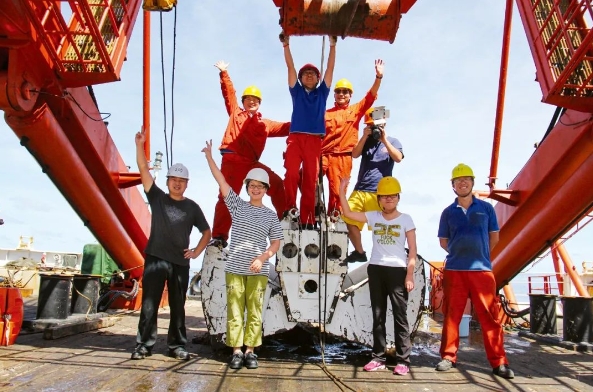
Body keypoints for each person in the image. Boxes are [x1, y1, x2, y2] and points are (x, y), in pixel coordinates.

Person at [202, 139, 283, 370]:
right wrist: (209, 156)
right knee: (235, 311)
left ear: (266, 190)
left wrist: (263, 258)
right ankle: (236, 351)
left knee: (255, 312)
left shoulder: (270, 216)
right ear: (247, 187)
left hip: (259, 270)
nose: (256, 189)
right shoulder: (237, 206)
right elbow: (221, 180)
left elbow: (276, 242)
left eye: (260, 186)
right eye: (252, 185)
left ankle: (251, 351)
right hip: (235, 269)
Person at [131, 131, 211, 361]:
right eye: (174, 180)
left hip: (180, 263)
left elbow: (207, 232)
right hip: (155, 258)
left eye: (181, 181)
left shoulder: (193, 208)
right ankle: (143, 345)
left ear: (186, 184)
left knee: (178, 307)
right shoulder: (157, 197)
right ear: (167, 182)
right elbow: (144, 170)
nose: (177, 184)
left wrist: (196, 251)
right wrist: (139, 145)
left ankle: (176, 346)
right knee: (149, 304)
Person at [436, 163, 514, 379]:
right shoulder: (447, 213)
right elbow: (444, 241)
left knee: (490, 316)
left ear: (472, 182)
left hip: (481, 271)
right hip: (454, 270)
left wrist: (480, 255)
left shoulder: (486, 209)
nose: (463, 183)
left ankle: (499, 362)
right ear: (452, 186)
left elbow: (494, 237)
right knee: (452, 315)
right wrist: (461, 252)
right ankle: (448, 357)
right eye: (458, 180)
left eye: (466, 179)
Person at [339, 176, 416, 376]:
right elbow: (347, 213)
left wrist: (409, 275)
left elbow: (413, 252)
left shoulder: (406, 219)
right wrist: (341, 190)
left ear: (398, 198)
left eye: (392, 196)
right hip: (376, 268)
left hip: (398, 271)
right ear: (379, 199)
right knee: (378, 316)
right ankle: (378, 357)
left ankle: (403, 360)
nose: (388, 200)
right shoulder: (374, 216)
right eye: (384, 197)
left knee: (400, 316)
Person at [210, 60, 290, 249]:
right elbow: (229, 94)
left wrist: (308, 119)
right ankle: (220, 236)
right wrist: (224, 73)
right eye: (248, 99)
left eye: (255, 100)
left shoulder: (265, 124)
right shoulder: (235, 113)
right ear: (244, 102)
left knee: (277, 184)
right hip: (232, 160)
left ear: (259, 103)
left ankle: (285, 221)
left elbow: (287, 127)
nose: (251, 101)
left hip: (251, 164)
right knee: (227, 197)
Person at [280, 33, 336, 228]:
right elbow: (290, 67)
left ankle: (307, 219)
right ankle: (289, 209)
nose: (309, 75)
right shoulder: (296, 91)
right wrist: (286, 46)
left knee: (311, 180)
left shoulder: (322, 93)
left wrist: (332, 46)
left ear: (318, 78)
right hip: (296, 139)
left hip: (314, 141)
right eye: (306, 73)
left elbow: (330, 68)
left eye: (313, 73)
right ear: (301, 78)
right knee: (292, 174)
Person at [321, 60, 383, 216]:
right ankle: (313, 209)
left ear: (350, 95)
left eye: (345, 92)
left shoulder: (355, 110)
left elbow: (370, 97)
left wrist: (378, 77)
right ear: (334, 94)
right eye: (339, 91)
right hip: (323, 154)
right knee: (306, 178)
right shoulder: (325, 112)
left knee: (337, 192)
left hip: (343, 157)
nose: (342, 94)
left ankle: (334, 217)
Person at [342, 108, 404, 262]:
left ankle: (384, 256)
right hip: (360, 189)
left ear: (384, 123)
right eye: (372, 125)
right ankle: (359, 251)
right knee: (346, 218)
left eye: (377, 125)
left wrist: (384, 140)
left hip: (379, 192)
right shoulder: (367, 141)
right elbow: (354, 154)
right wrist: (364, 136)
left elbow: (398, 158)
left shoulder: (394, 141)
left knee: (380, 227)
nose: (375, 128)